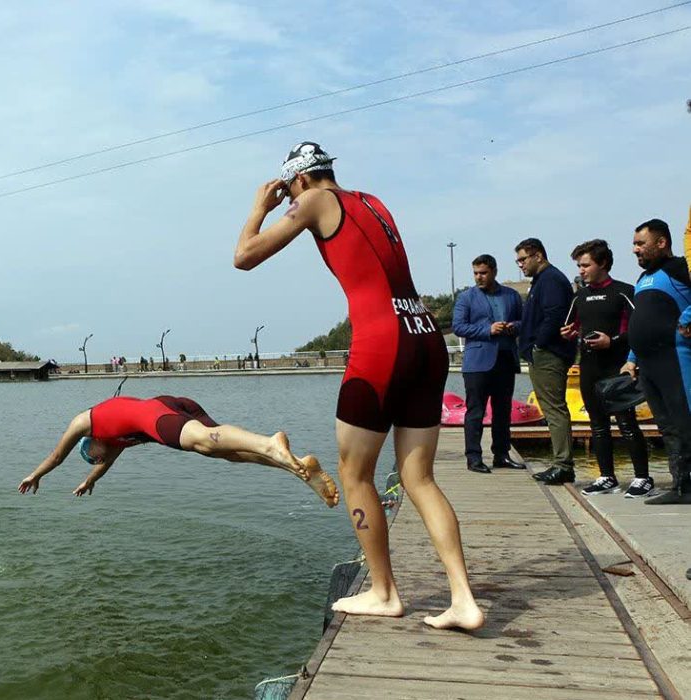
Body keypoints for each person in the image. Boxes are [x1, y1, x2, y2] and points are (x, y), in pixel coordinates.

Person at [231, 141, 483, 630]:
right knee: (419, 478)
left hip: (381, 344)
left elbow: (244, 256)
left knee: (354, 472)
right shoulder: (372, 201)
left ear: (298, 180)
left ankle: (385, 591)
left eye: (289, 191)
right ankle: (463, 599)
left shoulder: (315, 199)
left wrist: (259, 209)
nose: (289, 202)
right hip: (425, 337)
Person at [18, 395, 338, 506]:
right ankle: (296, 468)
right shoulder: (115, 444)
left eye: (94, 456)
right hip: (175, 405)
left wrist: (36, 474)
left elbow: (57, 456)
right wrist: (91, 481)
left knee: (204, 440)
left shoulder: (85, 422)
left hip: (158, 415)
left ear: (92, 443)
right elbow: (106, 464)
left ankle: (270, 442)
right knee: (224, 451)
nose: (99, 460)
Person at [559, 240, 652, 497]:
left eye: (586, 265)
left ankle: (643, 477)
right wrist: (568, 333)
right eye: (579, 265)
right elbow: (569, 327)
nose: (581, 270)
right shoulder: (579, 296)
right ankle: (606, 476)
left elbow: (637, 329)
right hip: (589, 367)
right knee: (597, 425)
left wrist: (612, 341)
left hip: (616, 366)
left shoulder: (624, 292)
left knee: (627, 424)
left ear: (602, 263)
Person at [622, 219, 691, 505]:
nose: (635, 249)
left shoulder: (680, 269)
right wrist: (631, 359)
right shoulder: (642, 278)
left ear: (661, 242)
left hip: (675, 358)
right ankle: (680, 485)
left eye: (641, 243)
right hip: (647, 362)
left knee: (684, 419)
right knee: (666, 425)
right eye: (634, 243)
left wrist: (687, 319)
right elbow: (642, 320)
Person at [452, 254, 525, 473]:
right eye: (475, 273)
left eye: (483, 273)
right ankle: (473, 458)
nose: (478, 277)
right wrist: (488, 330)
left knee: (503, 411)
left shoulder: (511, 296)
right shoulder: (466, 297)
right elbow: (458, 327)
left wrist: (513, 326)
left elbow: (524, 322)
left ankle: (501, 455)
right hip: (477, 364)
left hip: (505, 360)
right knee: (476, 411)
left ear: (493, 271)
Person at [515, 238, 577, 485]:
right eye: (518, 260)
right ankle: (560, 462)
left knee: (553, 408)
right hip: (543, 352)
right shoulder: (541, 281)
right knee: (551, 408)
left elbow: (553, 315)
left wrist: (538, 344)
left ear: (538, 255)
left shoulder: (550, 279)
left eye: (523, 259)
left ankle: (563, 465)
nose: (520, 265)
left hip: (549, 353)